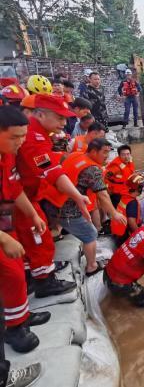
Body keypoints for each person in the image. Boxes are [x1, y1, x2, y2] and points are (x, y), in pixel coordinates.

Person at [15, 94, 89, 297]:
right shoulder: (33, 138)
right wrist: (77, 196)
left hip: (25, 195)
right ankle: (44, 283)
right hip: (21, 198)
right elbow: (51, 171)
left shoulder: (36, 133)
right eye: (59, 118)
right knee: (40, 238)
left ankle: (36, 275)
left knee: (33, 239)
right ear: (40, 114)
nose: (64, 123)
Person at [0, 106, 51, 354]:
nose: (20, 142)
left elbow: (13, 187)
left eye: (23, 136)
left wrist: (32, 214)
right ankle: (13, 328)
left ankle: (19, 319)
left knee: (16, 270)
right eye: (14, 137)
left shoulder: (7, 155)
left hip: (5, 217)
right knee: (11, 273)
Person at [44, 139, 127, 276]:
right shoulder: (93, 169)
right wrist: (114, 214)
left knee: (55, 229)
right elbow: (103, 195)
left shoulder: (76, 154)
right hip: (66, 208)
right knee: (90, 234)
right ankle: (91, 267)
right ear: (94, 152)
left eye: (109, 152)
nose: (107, 156)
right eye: (104, 152)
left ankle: (46, 249)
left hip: (51, 200)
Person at [111, 174, 144, 246]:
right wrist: (139, 235)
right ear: (138, 189)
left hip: (118, 232)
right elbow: (131, 222)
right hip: (124, 235)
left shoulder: (125, 196)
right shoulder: (132, 203)